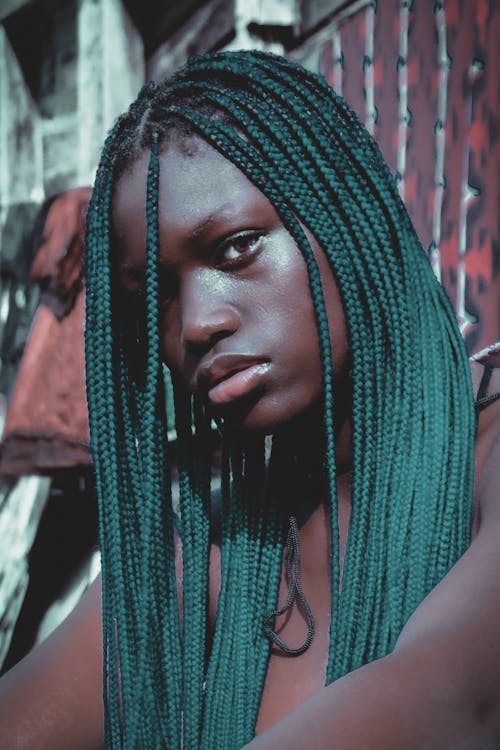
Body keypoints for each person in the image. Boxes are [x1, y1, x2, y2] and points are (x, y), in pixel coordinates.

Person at [0, 49, 499, 749]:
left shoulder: (487, 449)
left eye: (236, 249)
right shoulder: (216, 550)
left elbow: (454, 695)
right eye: (157, 296)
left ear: (346, 212)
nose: (197, 324)